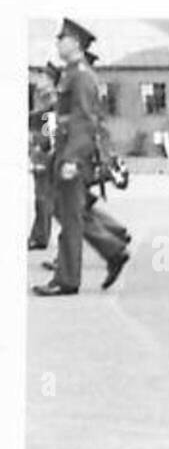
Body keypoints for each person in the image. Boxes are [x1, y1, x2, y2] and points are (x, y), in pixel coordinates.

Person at [33, 18, 130, 296]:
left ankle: (67, 279)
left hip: (73, 155)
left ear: (75, 43)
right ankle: (113, 250)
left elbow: (85, 122)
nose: (57, 42)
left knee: (70, 216)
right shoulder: (70, 74)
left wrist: (73, 160)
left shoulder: (83, 76)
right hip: (62, 151)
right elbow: (57, 118)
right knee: (66, 212)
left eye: (62, 38)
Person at [28, 62, 59, 251]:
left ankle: (40, 237)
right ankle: (39, 235)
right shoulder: (41, 99)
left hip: (44, 156)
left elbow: (49, 132)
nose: (39, 80)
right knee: (42, 197)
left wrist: (42, 152)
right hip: (40, 152)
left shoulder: (50, 102)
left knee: (43, 197)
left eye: (43, 77)